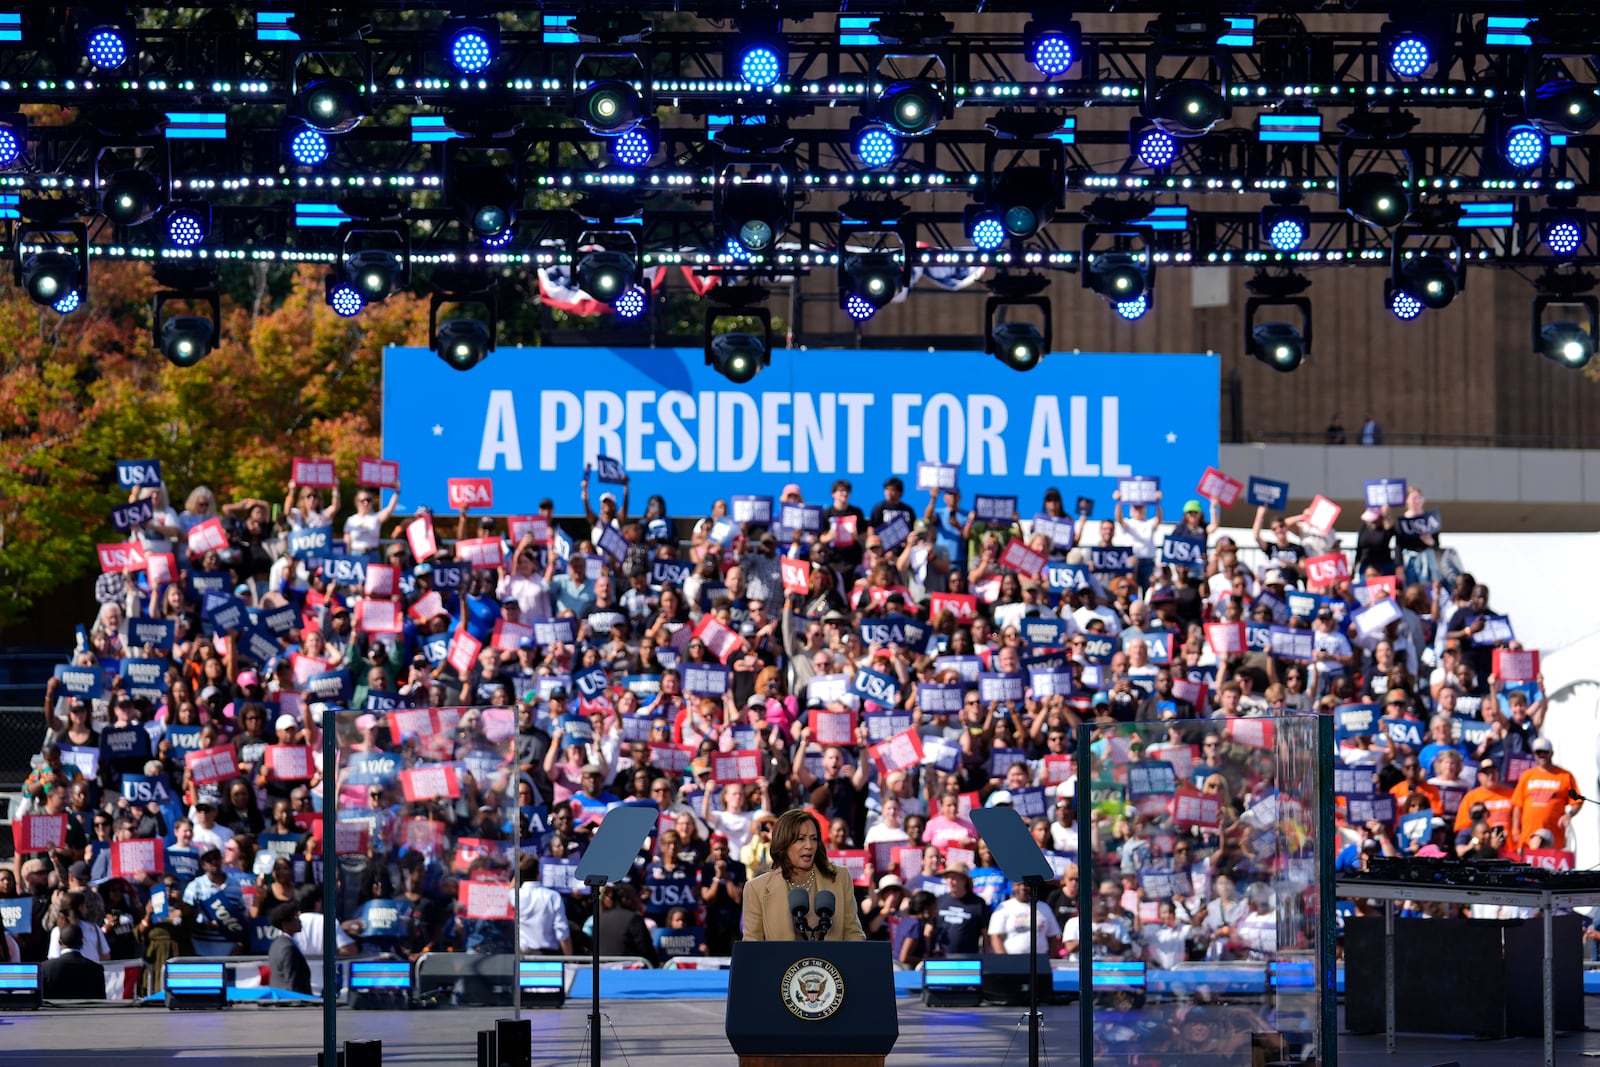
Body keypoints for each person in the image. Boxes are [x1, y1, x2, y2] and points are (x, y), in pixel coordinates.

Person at [740, 809, 865, 942]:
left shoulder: (840, 877)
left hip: (834, 962)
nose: (809, 846)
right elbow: (752, 946)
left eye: (814, 838)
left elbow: (853, 934)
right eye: (800, 839)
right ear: (784, 842)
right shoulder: (756, 888)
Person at [1511, 737, 1582, 850]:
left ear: (1552, 753)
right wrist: (1515, 830)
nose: (1542, 755)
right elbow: (1517, 805)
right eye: (1539, 752)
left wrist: (1569, 814)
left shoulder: (1565, 776)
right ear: (1534, 754)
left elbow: (1578, 800)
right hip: (1528, 837)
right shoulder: (1527, 776)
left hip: (1554, 837)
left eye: (1545, 752)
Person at [515, 856, 573, 956]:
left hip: (522, 956)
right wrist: (570, 959)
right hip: (548, 957)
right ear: (539, 874)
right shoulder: (552, 896)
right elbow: (562, 931)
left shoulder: (513, 896)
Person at [987, 881, 1062, 956]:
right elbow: (995, 937)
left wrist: (1050, 960)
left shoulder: (1044, 907)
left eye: (1026, 884)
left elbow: (1053, 936)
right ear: (1013, 886)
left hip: (1040, 961)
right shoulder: (1004, 907)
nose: (1023, 888)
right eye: (1018, 884)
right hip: (1012, 961)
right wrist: (1004, 960)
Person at [929, 864, 988, 957]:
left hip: (968, 960)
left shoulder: (978, 903)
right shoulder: (939, 900)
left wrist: (986, 957)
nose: (950, 881)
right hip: (941, 959)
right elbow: (930, 927)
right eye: (948, 878)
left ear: (964, 880)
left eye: (954, 878)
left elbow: (985, 933)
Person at [39, 922, 106, 1000]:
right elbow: (101, 1000)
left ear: (60, 942)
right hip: (87, 1012)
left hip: (55, 1012)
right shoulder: (96, 969)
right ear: (82, 943)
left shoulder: (44, 968)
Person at [267, 903, 312, 995]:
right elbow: (292, 981)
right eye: (295, 917)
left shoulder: (276, 944)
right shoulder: (288, 948)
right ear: (285, 924)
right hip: (291, 1002)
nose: (299, 921)